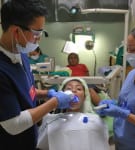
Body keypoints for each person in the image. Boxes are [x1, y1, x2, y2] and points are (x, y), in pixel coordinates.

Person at [0, 1, 74, 149]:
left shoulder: (22, 55)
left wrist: (47, 94)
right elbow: (13, 124)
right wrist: (54, 103)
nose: (38, 40)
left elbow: (26, 90)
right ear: (16, 32)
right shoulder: (2, 70)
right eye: (36, 33)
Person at [96, 24, 135, 150]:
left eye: (133, 50)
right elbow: (130, 103)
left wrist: (125, 115)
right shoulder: (133, 74)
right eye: (127, 49)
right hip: (121, 143)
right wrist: (114, 104)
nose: (128, 54)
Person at [37, 77, 110, 150]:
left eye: (79, 89)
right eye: (69, 88)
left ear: (84, 97)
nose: (74, 90)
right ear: (61, 95)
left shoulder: (96, 121)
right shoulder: (51, 120)